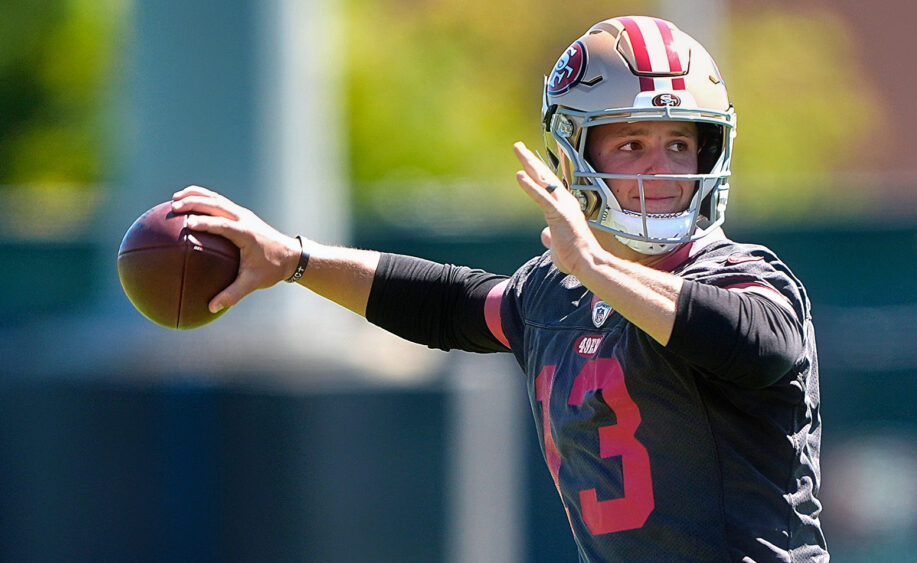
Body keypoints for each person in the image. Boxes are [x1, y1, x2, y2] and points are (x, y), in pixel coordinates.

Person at [172, 15, 827, 561]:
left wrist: (598, 268)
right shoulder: (552, 291)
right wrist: (295, 258)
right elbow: (448, 302)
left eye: (680, 143)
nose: (663, 170)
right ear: (574, 157)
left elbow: (755, 343)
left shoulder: (740, 276)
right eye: (632, 144)